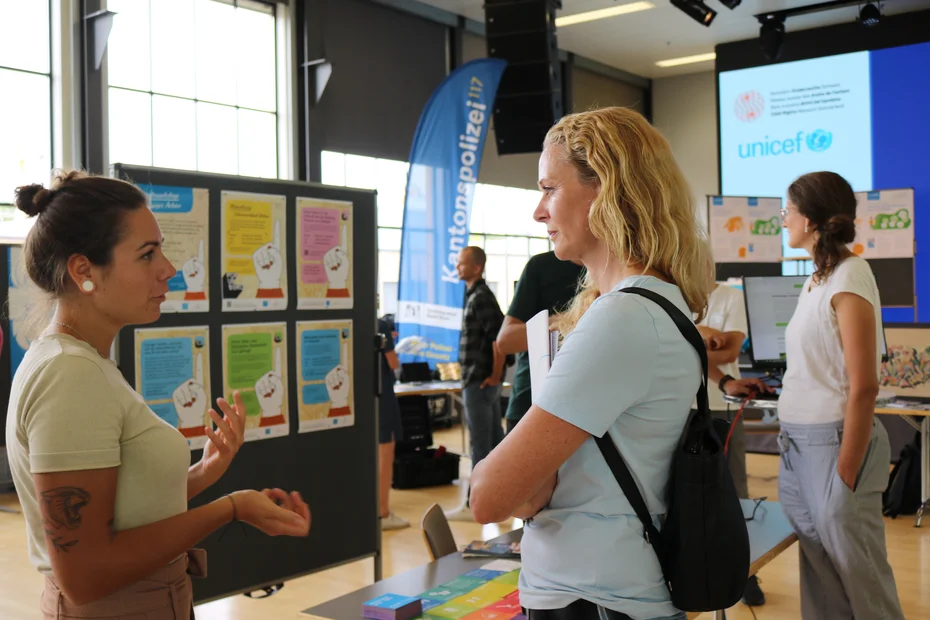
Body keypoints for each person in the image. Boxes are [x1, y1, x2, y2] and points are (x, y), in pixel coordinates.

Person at [5, 171, 311, 619]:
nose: (168, 268)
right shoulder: (69, 375)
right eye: (147, 254)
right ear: (84, 270)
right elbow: (85, 575)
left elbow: (120, 512)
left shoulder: (82, 362)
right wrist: (229, 508)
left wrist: (205, 472)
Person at [468, 107, 712, 620]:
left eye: (548, 189)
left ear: (604, 189)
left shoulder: (621, 318)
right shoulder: (659, 301)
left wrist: (520, 477)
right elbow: (535, 489)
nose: (538, 211)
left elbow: (488, 497)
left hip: (594, 597)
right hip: (610, 586)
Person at [753, 171, 902, 619]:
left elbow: (864, 385)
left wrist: (846, 470)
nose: (783, 221)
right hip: (797, 444)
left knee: (861, 575)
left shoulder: (852, 275)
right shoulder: (818, 278)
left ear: (812, 220)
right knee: (820, 572)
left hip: (834, 442)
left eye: (788, 212)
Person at [692, 264, 766, 606]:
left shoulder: (730, 298)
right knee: (688, 494)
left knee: (735, 491)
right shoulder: (676, 297)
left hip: (723, 405)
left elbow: (729, 352)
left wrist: (691, 338)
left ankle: (747, 572)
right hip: (680, 406)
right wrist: (701, 334)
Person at [445, 246, 506, 522]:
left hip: (480, 383)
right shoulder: (473, 295)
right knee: (492, 443)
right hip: (479, 382)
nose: (457, 267)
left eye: (461, 263)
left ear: (476, 268)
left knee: (481, 446)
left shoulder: (480, 297)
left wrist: (495, 376)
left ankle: (474, 506)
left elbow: (499, 339)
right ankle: (496, 501)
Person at [496, 252, 583, 434]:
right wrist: (570, 318)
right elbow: (506, 341)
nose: (541, 220)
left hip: (587, 408)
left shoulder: (621, 269)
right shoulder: (542, 266)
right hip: (531, 403)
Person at [378, 313, 409, 530]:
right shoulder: (379, 325)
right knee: (385, 453)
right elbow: (392, 362)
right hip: (382, 397)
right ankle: (382, 512)